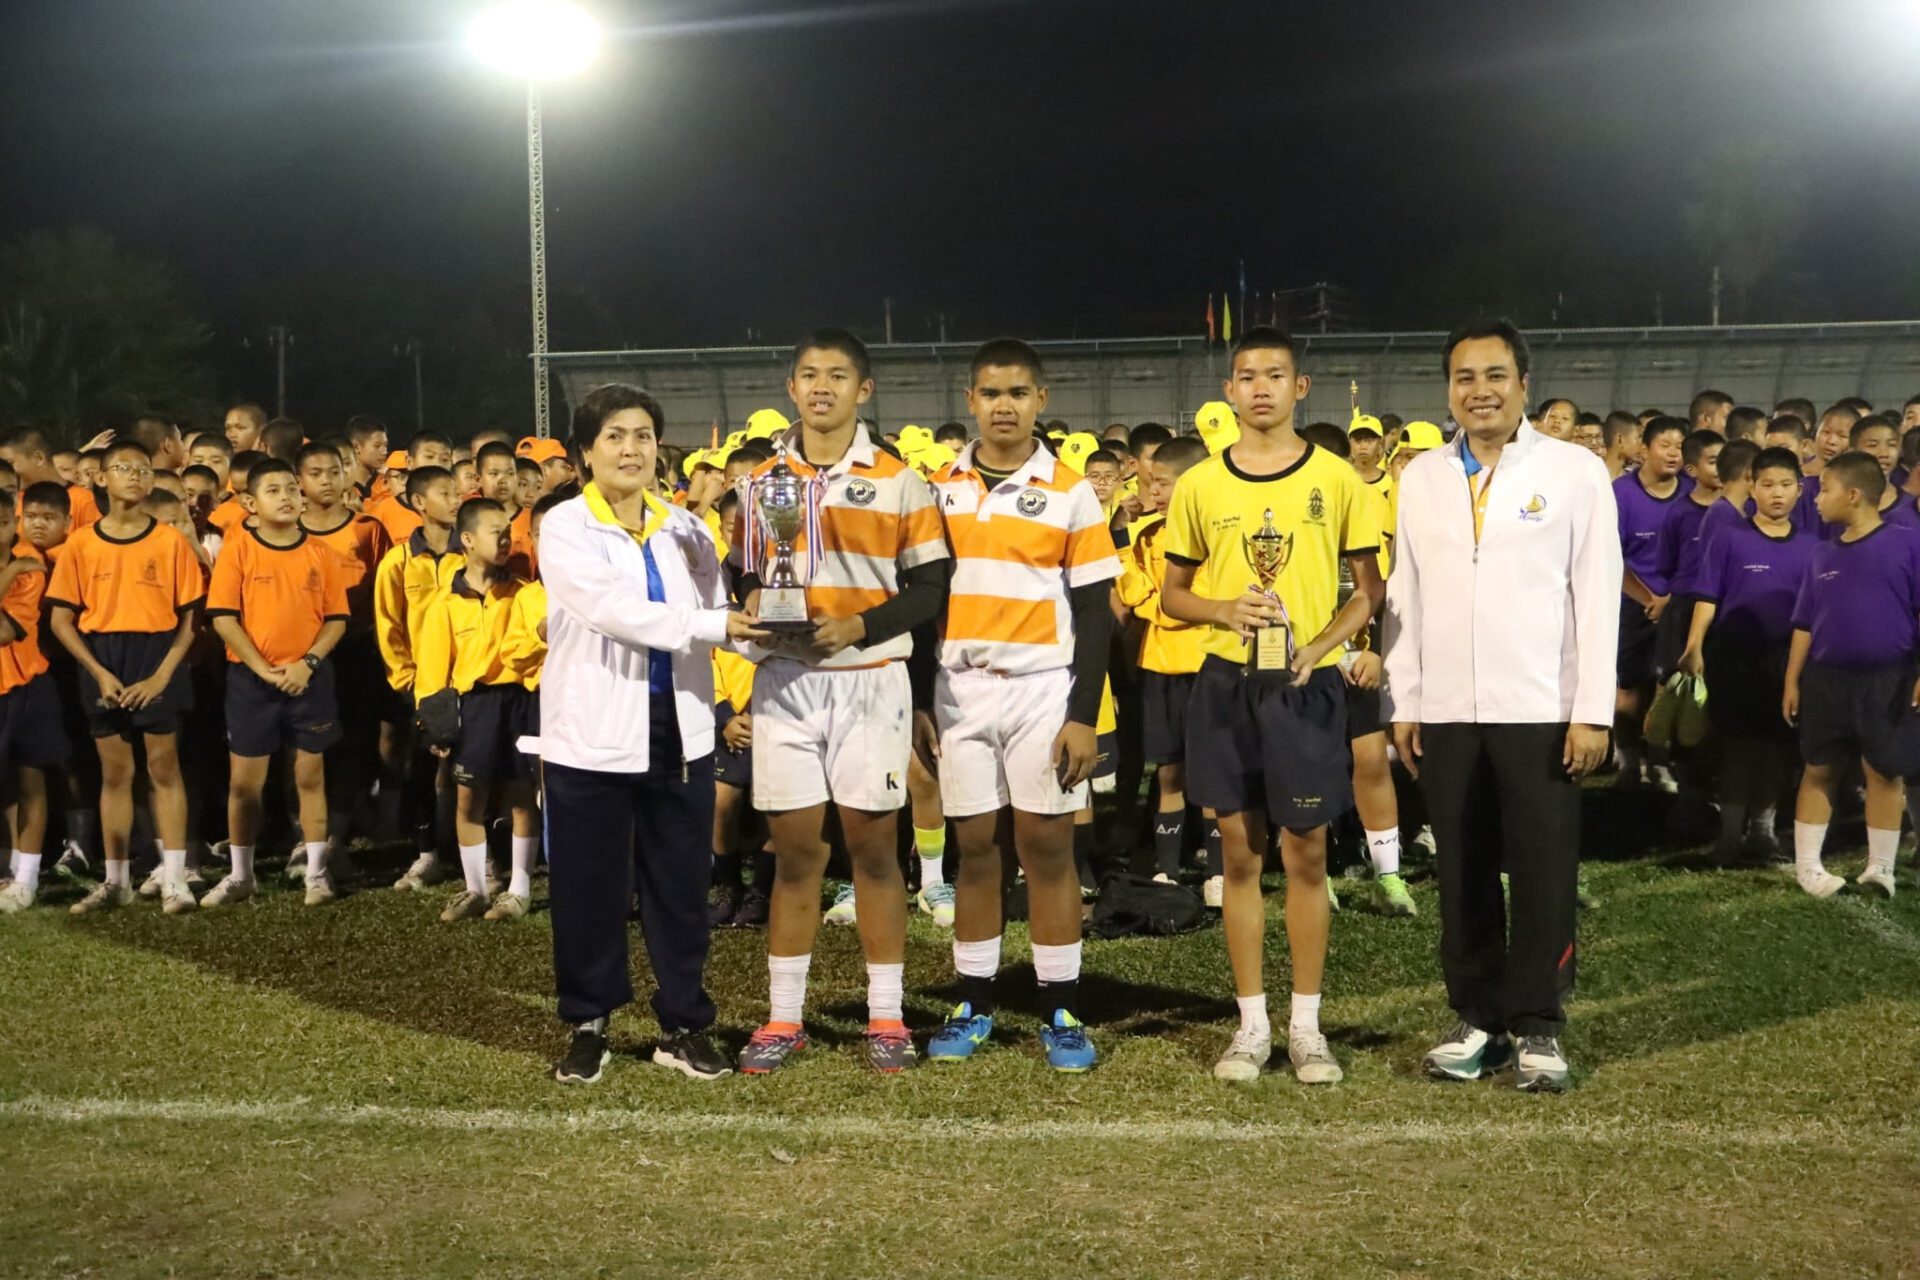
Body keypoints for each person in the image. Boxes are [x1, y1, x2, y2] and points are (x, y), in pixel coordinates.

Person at [1383, 317, 1620, 1094]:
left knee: (1543, 871)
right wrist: (1406, 699)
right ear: (1448, 390)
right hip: (1449, 709)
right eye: (1464, 378)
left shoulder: (1574, 472)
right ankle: (1477, 1017)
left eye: (1494, 375)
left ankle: (1539, 1023)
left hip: (1540, 706)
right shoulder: (1421, 477)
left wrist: (1592, 710)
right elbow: (1407, 594)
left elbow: (1596, 593)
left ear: (1523, 382)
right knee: (1462, 870)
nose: (1479, 391)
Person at [1160, 326, 1384, 1086]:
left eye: (1275, 375)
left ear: (1300, 387)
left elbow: (1369, 592)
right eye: (1247, 376)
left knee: (1308, 852)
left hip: (1302, 687)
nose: (1261, 388)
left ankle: (1307, 1027)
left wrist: (1318, 648)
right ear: (1229, 390)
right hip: (1226, 686)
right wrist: (1224, 610)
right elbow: (1173, 594)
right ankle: (1252, 1025)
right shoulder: (1200, 484)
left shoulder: (1337, 479)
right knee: (1239, 853)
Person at [732, 329, 952, 1076]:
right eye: (808, 375)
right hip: (786, 681)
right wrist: (754, 598)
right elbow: (744, 572)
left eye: (836, 375)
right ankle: (783, 1018)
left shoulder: (899, 481)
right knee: (796, 855)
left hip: (869, 679)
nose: (820, 387)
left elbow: (930, 589)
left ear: (865, 390)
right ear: (791, 388)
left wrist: (860, 626)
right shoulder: (763, 482)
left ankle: (886, 1017)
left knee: (873, 852)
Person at [540, 382, 761, 1085]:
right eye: (614, 436)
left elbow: (718, 610)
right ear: (586, 452)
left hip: (680, 731)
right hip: (593, 734)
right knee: (591, 888)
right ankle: (589, 1022)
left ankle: (685, 1023)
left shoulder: (685, 528)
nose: (630, 449)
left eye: (642, 435)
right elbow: (613, 610)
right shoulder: (565, 526)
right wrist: (714, 623)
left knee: (679, 887)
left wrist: (770, 632)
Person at [917, 338, 1118, 1072]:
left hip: (1043, 689)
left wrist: (1083, 714)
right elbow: (921, 600)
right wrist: (919, 698)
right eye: (992, 393)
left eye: (1019, 393)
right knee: (976, 850)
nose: (1005, 406)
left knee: (1047, 848)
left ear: (1041, 400)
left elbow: (1095, 611)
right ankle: (973, 1000)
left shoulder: (1070, 490)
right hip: (959, 689)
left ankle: (1061, 1008)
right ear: (970, 401)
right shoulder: (935, 488)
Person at [46, 441, 204, 915]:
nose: (134, 476)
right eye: (123, 468)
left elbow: (190, 619)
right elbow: (60, 620)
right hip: (103, 658)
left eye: (142, 469)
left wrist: (162, 677)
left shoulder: (169, 541)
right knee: (115, 774)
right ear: (101, 478)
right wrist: (97, 672)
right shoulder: (81, 543)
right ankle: (116, 881)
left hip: (156, 655)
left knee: (164, 769)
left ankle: (175, 878)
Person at [199, 459, 350, 908]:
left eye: (291, 488)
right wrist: (262, 668)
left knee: (309, 776)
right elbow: (223, 618)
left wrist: (307, 663)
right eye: (273, 490)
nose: (286, 497)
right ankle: (241, 875)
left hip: (309, 680)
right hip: (252, 682)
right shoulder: (239, 550)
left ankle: (316, 873)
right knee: (245, 783)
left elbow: (336, 619)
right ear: (250, 502)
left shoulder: (321, 554)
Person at [1782, 451, 1920, 900]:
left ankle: (1881, 868)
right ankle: (1808, 868)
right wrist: (1792, 680)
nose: (1816, 498)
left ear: (1854, 494)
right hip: (1827, 679)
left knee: (1884, 771)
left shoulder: (1908, 544)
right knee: (1819, 768)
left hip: (1889, 679)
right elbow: (1804, 623)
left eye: (1825, 489)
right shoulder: (1821, 553)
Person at [1679, 447, 1809, 865]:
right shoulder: (1730, 537)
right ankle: (1730, 836)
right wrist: (1694, 646)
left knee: (1775, 749)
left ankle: (1763, 834)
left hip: (1785, 663)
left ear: (1800, 490)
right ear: (1752, 487)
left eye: (1785, 485)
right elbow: (1707, 595)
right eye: (1767, 484)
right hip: (1734, 658)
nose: (1777, 493)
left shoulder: (1811, 547)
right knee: (1737, 748)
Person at [412, 498, 541, 922]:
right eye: (494, 532)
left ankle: (519, 890)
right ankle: (475, 889)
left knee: (521, 795)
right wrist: (435, 726)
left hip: (518, 701)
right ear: (466, 539)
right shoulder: (444, 603)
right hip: (474, 706)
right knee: (468, 799)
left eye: (509, 533)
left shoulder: (523, 592)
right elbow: (432, 671)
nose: (505, 540)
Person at [1114, 436, 1215, 894]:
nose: (1152, 491)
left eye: (1163, 483)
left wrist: (1162, 606)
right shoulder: (1147, 537)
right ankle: (1167, 869)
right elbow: (1133, 592)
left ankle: (1217, 871)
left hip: (1206, 664)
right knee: (1169, 771)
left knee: (1211, 771)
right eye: (1151, 482)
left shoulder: (1214, 537)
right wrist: (1120, 536)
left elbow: (1195, 603)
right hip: (1159, 667)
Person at [297, 441, 395, 866]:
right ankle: (304, 836)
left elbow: (385, 588)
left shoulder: (367, 530)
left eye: (334, 472)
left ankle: (336, 836)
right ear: (299, 481)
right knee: (304, 748)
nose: (326, 481)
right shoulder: (285, 531)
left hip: (355, 649)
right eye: (315, 473)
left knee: (352, 742)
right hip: (301, 654)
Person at [372, 465, 465, 888]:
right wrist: (406, 681)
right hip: (422, 686)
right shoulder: (399, 561)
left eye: (456, 491)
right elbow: (388, 625)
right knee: (422, 768)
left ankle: (474, 851)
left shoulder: (470, 553)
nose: (455, 499)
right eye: (445, 492)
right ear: (418, 503)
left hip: (467, 680)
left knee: (471, 768)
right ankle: (427, 852)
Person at [0, 498, 67, 913]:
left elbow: (6, 632)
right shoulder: (18, 569)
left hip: (26, 686)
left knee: (30, 782)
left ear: (14, 523)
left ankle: (25, 878)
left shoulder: (31, 567)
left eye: (4, 521)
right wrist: (7, 574)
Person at [1614, 416, 1686, 791]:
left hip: (1676, 604)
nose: (1674, 453)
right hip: (1631, 603)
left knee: (1668, 689)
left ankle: (1659, 762)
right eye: (1665, 445)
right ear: (1644, 450)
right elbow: (1611, 555)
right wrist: (1648, 599)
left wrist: (1669, 599)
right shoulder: (1621, 493)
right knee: (1629, 687)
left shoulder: (1690, 493)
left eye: (1680, 446)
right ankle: (1628, 763)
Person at [1600, 411, 1643, 481]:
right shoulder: (1591, 476)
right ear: (1620, 440)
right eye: (1638, 437)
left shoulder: (1636, 479)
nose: (1642, 444)